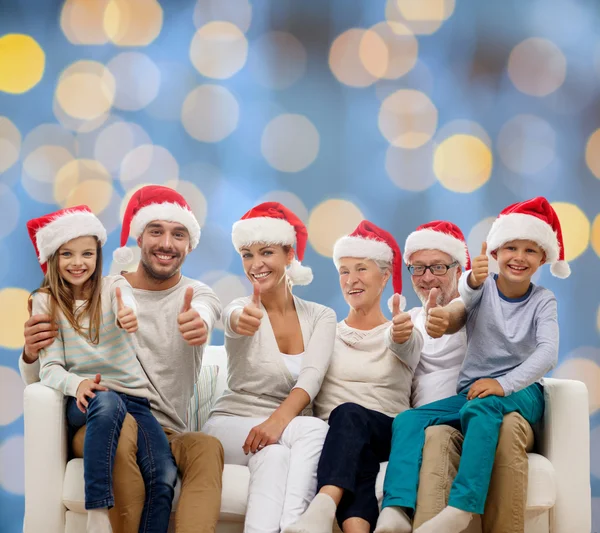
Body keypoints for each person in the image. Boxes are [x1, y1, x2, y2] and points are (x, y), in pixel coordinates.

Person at [20, 186, 224, 533]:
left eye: (179, 234)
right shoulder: (106, 289)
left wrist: (199, 323)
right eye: (156, 231)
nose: (167, 243)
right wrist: (30, 353)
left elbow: (206, 311)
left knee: (206, 446)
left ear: (189, 244)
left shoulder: (196, 295)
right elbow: (43, 375)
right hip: (102, 418)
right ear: (138, 237)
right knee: (122, 426)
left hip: (163, 426)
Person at [376, 198, 567, 533]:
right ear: (494, 253)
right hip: (475, 394)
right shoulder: (480, 288)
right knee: (409, 420)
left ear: (542, 259)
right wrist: (466, 289)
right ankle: (395, 509)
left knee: (482, 407)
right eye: (510, 247)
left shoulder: (543, 300)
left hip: (522, 392)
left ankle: (462, 506)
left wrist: (503, 384)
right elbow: (463, 300)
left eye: (529, 250)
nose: (518, 257)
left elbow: (547, 354)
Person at [26, 205, 177, 533]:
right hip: (89, 399)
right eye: (67, 254)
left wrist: (129, 315)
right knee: (106, 400)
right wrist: (77, 385)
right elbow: (49, 367)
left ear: (98, 256)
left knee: (163, 474)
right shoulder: (44, 301)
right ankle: (97, 512)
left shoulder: (113, 289)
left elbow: (128, 303)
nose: (78, 262)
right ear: (53, 258)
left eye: (87, 254)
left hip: (135, 401)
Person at [202, 202, 337, 533]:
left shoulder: (321, 316)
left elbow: (312, 376)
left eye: (266, 252)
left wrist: (275, 424)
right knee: (315, 429)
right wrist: (239, 320)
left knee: (275, 458)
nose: (256, 264)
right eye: (247, 254)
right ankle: (298, 526)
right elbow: (231, 319)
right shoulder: (241, 307)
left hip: (278, 435)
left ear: (289, 255)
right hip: (231, 426)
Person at [283, 220, 423, 533]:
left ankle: (323, 505)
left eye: (361, 268)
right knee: (352, 446)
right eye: (344, 271)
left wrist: (400, 333)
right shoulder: (325, 332)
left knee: (347, 415)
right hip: (337, 439)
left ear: (384, 276)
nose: (351, 279)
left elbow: (407, 345)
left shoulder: (402, 330)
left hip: (387, 432)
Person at [399, 220, 538, 533]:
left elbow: (457, 314)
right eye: (418, 269)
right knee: (434, 434)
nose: (427, 277)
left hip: (498, 413)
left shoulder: (482, 307)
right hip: (444, 420)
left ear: (459, 270)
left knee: (505, 422)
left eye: (437, 266)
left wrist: (445, 319)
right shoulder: (406, 321)